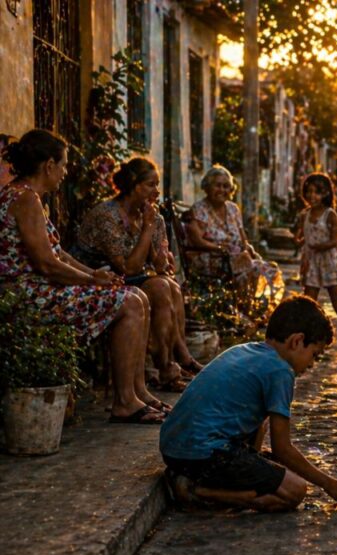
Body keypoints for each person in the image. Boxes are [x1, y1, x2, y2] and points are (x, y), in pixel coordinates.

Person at [0, 129, 164, 424]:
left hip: (41, 290)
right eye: (63, 165)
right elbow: (47, 264)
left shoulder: (29, 197)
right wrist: (90, 281)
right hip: (28, 296)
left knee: (138, 295)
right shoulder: (25, 199)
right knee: (129, 302)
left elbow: (59, 254)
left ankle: (138, 391)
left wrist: (94, 274)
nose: (65, 172)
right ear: (49, 165)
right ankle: (124, 401)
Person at [160, 296, 337, 511]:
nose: (311, 364)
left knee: (270, 442)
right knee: (295, 490)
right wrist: (328, 483)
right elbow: (282, 449)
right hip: (202, 455)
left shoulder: (244, 350)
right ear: (297, 341)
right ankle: (196, 491)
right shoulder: (280, 371)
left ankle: (201, 482)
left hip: (173, 449)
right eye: (314, 355)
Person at [74, 158, 203, 392]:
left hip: (129, 277)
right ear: (134, 186)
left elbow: (160, 265)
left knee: (170, 286)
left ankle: (174, 363)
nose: (156, 191)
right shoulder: (107, 215)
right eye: (151, 185)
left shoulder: (152, 216)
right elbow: (128, 268)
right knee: (160, 287)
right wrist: (147, 229)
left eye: (157, 185)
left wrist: (161, 251)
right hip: (95, 276)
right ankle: (170, 366)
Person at [186, 165, 283, 313]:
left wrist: (250, 250)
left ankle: (249, 308)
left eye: (226, 186)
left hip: (237, 258)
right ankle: (243, 309)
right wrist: (220, 248)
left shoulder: (233, 209)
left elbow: (243, 239)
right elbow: (196, 240)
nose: (222, 190)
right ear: (207, 187)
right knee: (252, 269)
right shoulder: (200, 209)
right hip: (212, 257)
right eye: (217, 185)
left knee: (269, 269)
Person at [294, 172, 337, 363]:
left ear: (326, 194)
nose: (312, 196)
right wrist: (299, 241)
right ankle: (307, 348)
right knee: (308, 305)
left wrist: (317, 246)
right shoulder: (305, 215)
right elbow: (303, 236)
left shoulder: (330, 215)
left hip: (330, 263)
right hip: (312, 264)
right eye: (309, 192)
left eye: (317, 192)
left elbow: (334, 241)